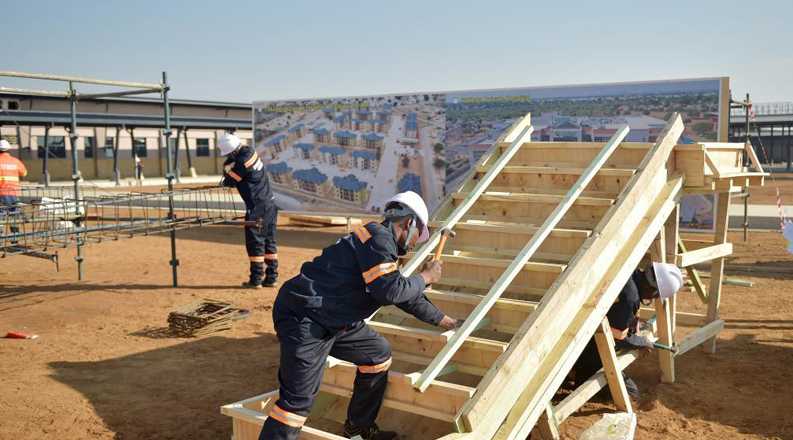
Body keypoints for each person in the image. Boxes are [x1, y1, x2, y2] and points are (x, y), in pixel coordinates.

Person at [260, 191, 460, 440]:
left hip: (335, 317)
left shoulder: (378, 242)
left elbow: (398, 293)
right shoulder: (379, 239)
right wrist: (426, 277)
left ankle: (359, 426)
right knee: (296, 405)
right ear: (409, 224)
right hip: (306, 318)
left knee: (377, 354)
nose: (414, 244)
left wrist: (443, 320)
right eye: (418, 236)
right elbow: (390, 291)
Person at [571, 261, 683, 399]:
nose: (652, 299)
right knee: (631, 394)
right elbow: (619, 335)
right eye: (655, 295)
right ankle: (578, 375)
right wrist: (643, 342)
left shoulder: (628, 271)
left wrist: (631, 320)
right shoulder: (631, 298)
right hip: (586, 346)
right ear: (652, 288)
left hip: (577, 328)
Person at [219, 133, 279, 288]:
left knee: (255, 242)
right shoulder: (250, 151)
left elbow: (230, 181)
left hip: (256, 208)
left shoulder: (241, 162)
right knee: (269, 241)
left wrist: (226, 171)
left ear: (232, 151)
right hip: (270, 204)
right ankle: (272, 277)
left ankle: (256, 279)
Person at [0, 139, 27, 237]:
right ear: (9, 150)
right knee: (14, 215)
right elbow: (24, 173)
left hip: (1, 193)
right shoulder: (15, 161)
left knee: (0, 214)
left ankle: (1, 237)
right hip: (14, 193)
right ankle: (15, 237)